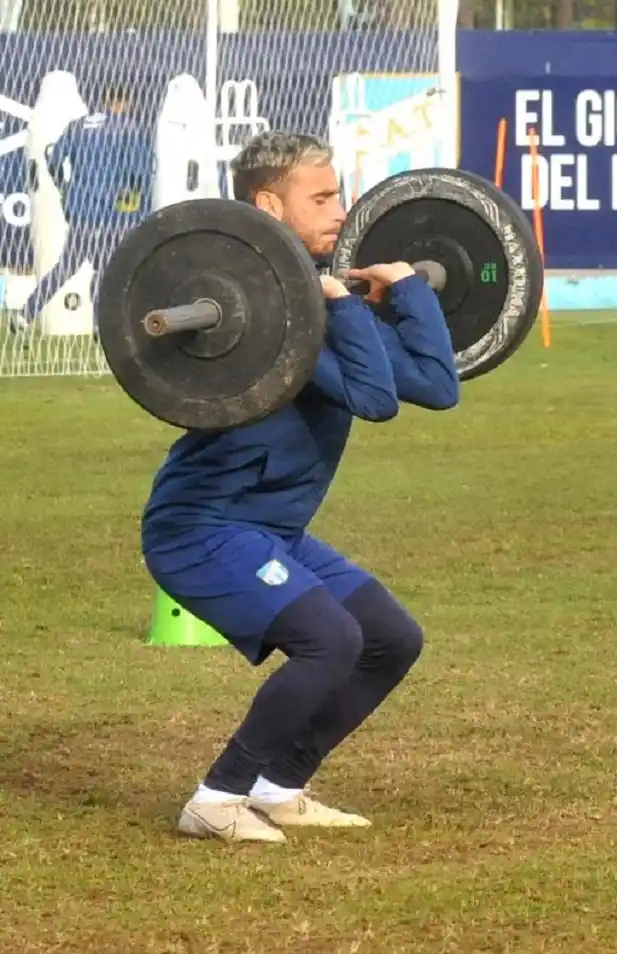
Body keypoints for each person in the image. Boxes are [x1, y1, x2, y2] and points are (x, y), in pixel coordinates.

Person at [142, 131, 460, 844]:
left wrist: (407, 290)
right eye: (321, 197)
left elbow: (437, 387)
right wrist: (344, 308)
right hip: (200, 529)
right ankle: (217, 798)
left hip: (270, 529)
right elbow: (375, 401)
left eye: (340, 193)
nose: (342, 210)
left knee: (389, 638)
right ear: (267, 205)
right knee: (329, 640)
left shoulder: (320, 299)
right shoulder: (266, 315)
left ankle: (278, 785)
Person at [14, 83, 154, 334]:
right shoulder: (128, 129)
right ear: (123, 103)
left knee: (65, 267)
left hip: (81, 209)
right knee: (108, 271)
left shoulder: (79, 125)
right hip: (112, 213)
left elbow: (54, 159)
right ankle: (103, 328)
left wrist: (64, 188)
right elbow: (138, 172)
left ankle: (26, 314)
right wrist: (137, 199)